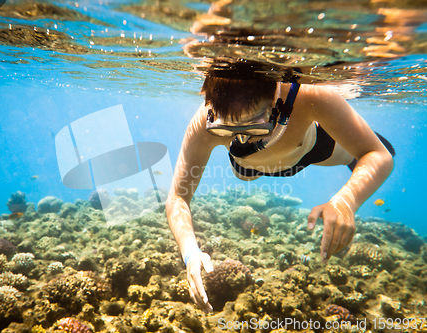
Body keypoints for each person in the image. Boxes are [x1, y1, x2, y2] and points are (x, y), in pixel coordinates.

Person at [165, 73, 395, 312]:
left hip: (309, 151)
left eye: (255, 125)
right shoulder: (203, 123)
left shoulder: (310, 95)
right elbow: (178, 197)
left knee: (366, 152)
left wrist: (346, 201)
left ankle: (356, 133)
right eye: (226, 130)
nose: (243, 139)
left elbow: (379, 156)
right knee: (245, 170)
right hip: (248, 167)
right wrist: (190, 253)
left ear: (277, 100)